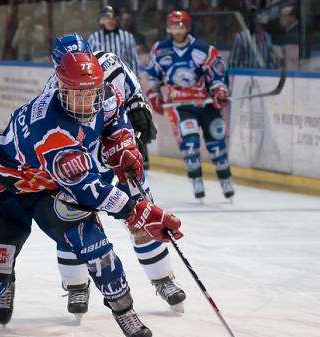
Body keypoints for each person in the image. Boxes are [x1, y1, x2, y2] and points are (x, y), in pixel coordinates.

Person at [0, 52, 183, 337]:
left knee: (93, 243)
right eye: (75, 95)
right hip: (8, 192)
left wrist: (123, 150)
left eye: (90, 93)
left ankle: (125, 311)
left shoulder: (105, 96)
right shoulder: (50, 131)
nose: (84, 102)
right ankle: (5, 276)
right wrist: (139, 211)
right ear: (60, 89)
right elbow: (89, 189)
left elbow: (116, 124)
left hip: (52, 188)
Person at [45, 33, 186, 320]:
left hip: (118, 154)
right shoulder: (52, 92)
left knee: (143, 214)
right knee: (74, 224)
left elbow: (132, 96)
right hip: (81, 165)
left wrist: (139, 116)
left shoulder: (110, 63)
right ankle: (76, 285)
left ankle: (164, 279)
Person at [146, 10, 235, 201]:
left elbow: (217, 74)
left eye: (180, 26)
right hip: (181, 106)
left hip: (206, 104)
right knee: (190, 143)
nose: (177, 30)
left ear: (187, 26)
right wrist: (154, 94)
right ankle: (196, 181)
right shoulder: (160, 50)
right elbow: (153, 76)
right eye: (173, 26)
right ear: (168, 27)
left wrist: (219, 91)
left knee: (217, 144)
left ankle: (226, 180)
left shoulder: (204, 50)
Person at [46, 33, 156, 167]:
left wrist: (138, 110)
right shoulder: (52, 90)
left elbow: (133, 92)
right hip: (88, 152)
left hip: (120, 134)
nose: (80, 66)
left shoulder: (109, 62)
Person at [88, 6, 139, 74]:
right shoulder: (94, 37)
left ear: (117, 19)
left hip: (123, 78)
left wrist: (135, 80)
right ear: (102, 20)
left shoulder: (127, 37)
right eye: (107, 18)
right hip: (102, 79)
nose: (110, 21)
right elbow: (89, 60)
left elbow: (133, 61)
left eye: (113, 18)